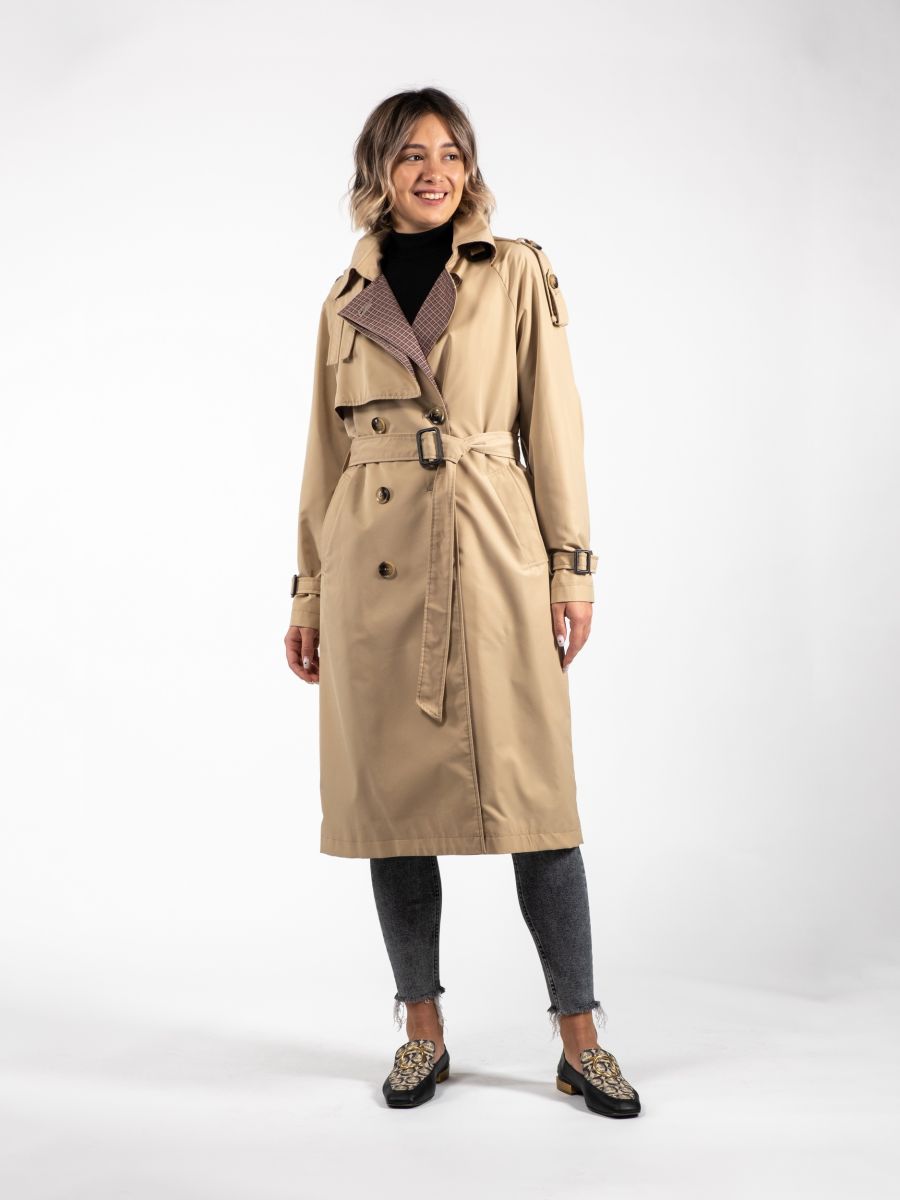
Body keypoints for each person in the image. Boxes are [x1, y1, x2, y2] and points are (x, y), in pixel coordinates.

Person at [284, 87, 641, 1117]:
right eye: (411, 156)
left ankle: (581, 1039)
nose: (433, 171)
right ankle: (421, 1033)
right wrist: (309, 594)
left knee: (538, 802)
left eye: (450, 153)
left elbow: (554, 427)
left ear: (469, 169)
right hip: (375, 570)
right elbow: (324, 459)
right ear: (379, 174)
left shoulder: (514, 270)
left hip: (489, 551)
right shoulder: (343, 297)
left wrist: (571, 568)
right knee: (395, 814)